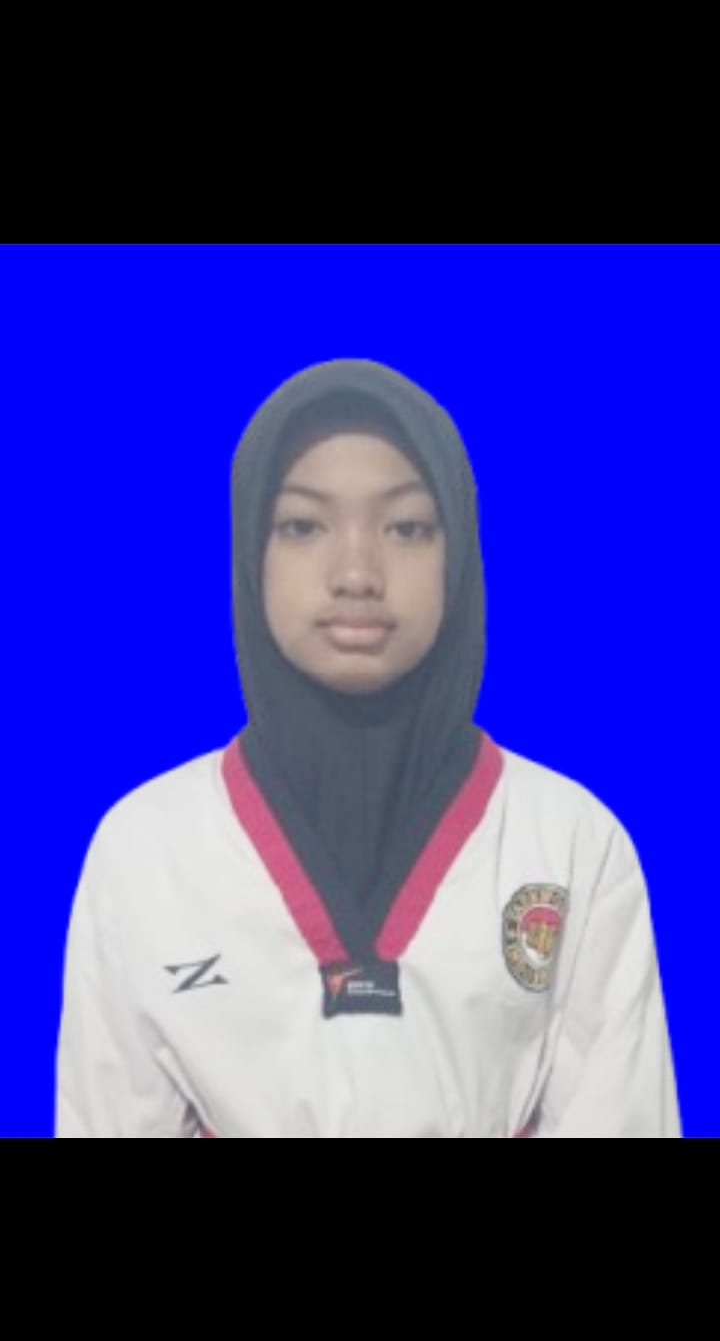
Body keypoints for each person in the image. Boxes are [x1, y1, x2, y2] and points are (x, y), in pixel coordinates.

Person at [55, 358, 682, 1137]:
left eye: (407, 527)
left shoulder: (570, 842)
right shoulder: (145, 850)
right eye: (303, 525)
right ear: (250, 552)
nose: (356, 572)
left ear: (460, 554)